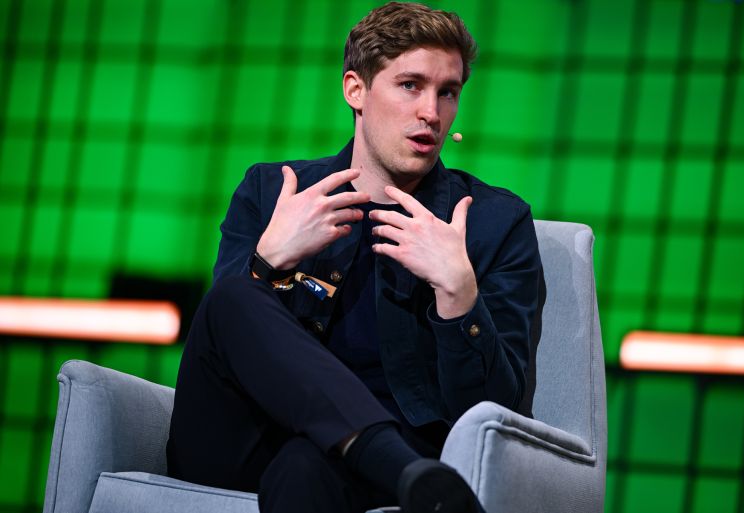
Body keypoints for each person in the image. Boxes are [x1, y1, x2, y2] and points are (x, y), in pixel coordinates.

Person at [166, 2, 545, 512]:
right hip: (248, 438)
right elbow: (221, 336)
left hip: (353, 464)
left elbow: (497, 411)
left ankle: (387, 460)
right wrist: (269, 261)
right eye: (410, 85)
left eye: (447, 92)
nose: (431, 113)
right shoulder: (272, 191)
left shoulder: (494, 223)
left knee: (305, 467)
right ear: (356, 90)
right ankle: (401, 469)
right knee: (236, 292)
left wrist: (460, 296)